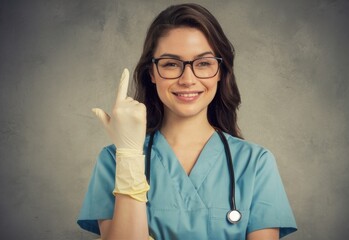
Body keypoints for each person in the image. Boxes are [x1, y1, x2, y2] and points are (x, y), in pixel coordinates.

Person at [77, 3, 297, 240]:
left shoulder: (255, 164)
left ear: (221, 71)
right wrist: (129, 156)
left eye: (203, 63)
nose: (188, 79)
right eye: (171, 64)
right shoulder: (115, 159)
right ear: (151, 73)